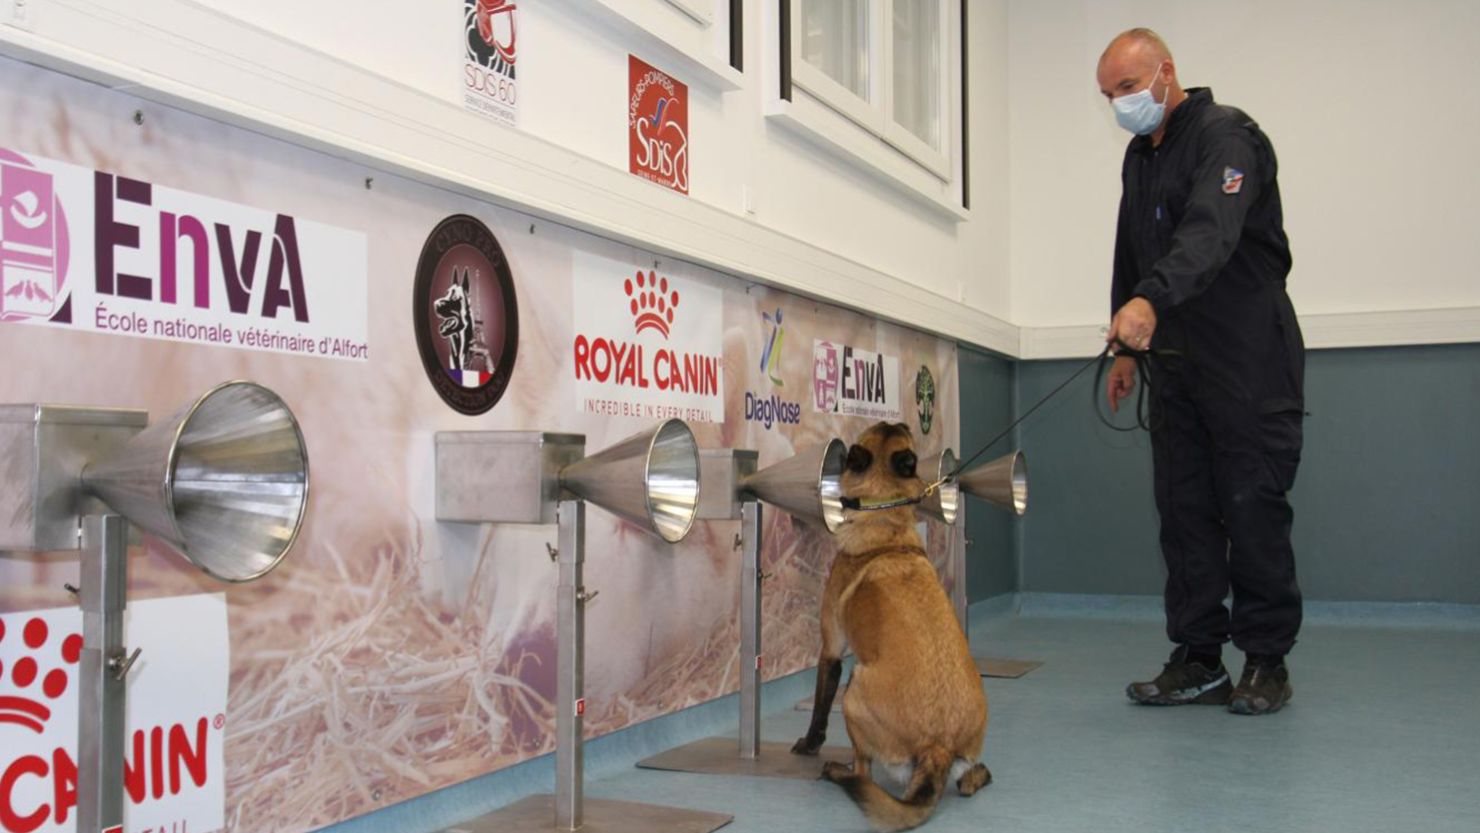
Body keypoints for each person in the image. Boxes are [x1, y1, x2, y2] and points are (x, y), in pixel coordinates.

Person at [1097, 28, 1305, 715]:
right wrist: (1126, 346)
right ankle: (1198, 656)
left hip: (1248, 352)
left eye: (1127, 88)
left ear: (1166, 73)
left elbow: (1209, 234)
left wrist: (1149, 300)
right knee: (1183, 509)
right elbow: (1131, 249)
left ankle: (1267, 661)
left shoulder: (1227, 137)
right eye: (1109, 95)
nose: (1119, 104)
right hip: (1176, 360)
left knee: (1250, 504)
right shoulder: (1139, 156)